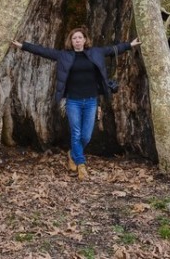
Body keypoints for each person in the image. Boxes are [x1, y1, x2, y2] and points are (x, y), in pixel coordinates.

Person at [11, 27, 141, 181]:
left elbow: (114, 49)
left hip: (91, 100)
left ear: (85, 40)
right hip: (73, 101)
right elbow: (43, 51)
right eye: (74, 38)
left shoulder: (96, 52)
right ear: (70, 41)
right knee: (76, 133)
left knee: (86, 135)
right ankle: (81, 165)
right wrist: (23, 45)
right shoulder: (64, 56)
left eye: (80, 37)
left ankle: (72, 154)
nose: (77, 40)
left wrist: (130, 45)